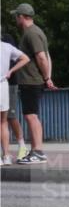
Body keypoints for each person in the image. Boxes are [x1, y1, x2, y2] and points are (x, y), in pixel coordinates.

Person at [11, 3, 56, 165]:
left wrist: (46, 78)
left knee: (31, 116)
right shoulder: (37, 32)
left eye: (16, 16)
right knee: (32, 115)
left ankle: (38, 151)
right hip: (34, 80)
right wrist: (48, 77)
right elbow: (47, 56)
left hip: (31, 80)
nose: (15, 19)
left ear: (22, 16)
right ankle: (36, 150)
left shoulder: (31, 33)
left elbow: (42, 57)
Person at [1, 36, 30, 165]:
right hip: (5, 83)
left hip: (9, 83)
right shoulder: (6, 43)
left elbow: (23, 58)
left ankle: (21, 145)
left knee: (10, 118)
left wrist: (11, 71)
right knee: (4, 121)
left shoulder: (7, 40)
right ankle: (6, 155)